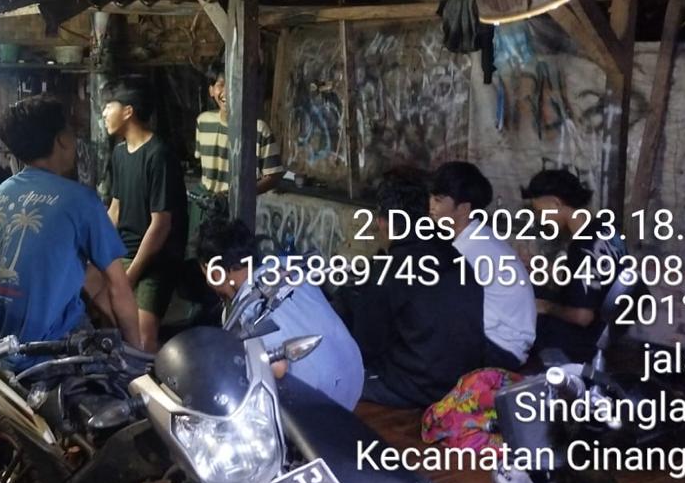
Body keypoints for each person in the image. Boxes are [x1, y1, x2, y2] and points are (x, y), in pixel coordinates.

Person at [0, 95, 141, 349]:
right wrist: (137, 357)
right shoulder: (80, 200)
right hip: (50, 350)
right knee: (109, 280)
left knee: (92, 277)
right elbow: (119, 288)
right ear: (62, 140)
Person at [341, 169, 485, 408]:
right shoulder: (456, 257)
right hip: (462, 383)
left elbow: (365, 348)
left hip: (419, 389)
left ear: (383, 223)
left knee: (335, 378)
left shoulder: (388, 270)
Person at [199, 218, 363, 410]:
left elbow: (278, 369)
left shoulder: (248, 307)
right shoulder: (287, 267)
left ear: (216, 273)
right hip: (354, 379)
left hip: (320, 400)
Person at [102, 79, 188, 351]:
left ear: (128, 111)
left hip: (155, 259)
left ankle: (164, 373)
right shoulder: (119, 153)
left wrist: (130, 276)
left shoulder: (159, 155)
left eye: (109, 106)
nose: (104, 113)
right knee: (110, 327)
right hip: (124, 253)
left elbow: (160, 225)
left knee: (143, 339)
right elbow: (115, 209)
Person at [429, 161, 536, 368]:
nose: (431, 206)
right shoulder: (478, 237)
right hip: (505, 341)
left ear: (463, 208)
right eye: (431, 198)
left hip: (500, 347)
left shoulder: (471, 248)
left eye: (438, 200)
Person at [521, 168, 626, 363]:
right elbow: (590, 277)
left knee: (521, 308)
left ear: (556, 203)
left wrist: (546, 307)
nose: (540, 219)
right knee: (534, 291)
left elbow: (582, 317)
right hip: (607, 325)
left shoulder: (582, 247)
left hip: (584, 338)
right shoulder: (605, 230)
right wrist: (545, 269)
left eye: (540, 212)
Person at [194, 58, 285, 209]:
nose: (227, 92)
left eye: (232, 85)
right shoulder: (203, 122)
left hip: (240, 209)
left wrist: (238, 194)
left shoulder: (258, 129)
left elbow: (274, 176)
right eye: (221, 85)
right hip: (206, 206)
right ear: (211, 90)